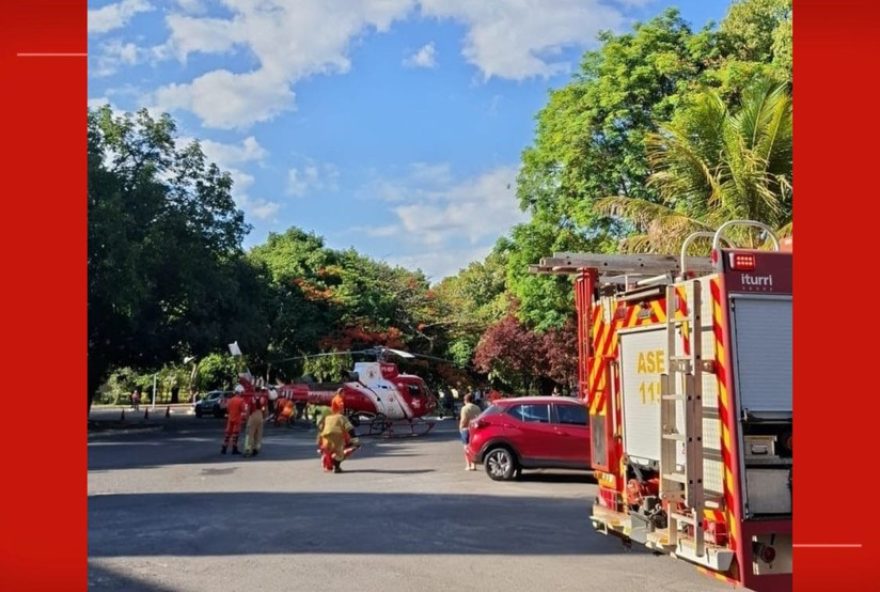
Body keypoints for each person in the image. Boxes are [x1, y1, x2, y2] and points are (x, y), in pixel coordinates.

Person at [316, 397, 357, 473]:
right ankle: (336, 466)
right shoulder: (342, 417)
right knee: (340, 453)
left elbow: (321, 429)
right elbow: (350, 429)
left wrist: (319, 441)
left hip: (325, 439)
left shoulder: (327, 417)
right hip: (337, 438)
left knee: (328, 452)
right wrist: (355, 440)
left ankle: (330, 464)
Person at [221, 385, 245, 455]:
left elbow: (228, 409)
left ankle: (224, 447)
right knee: (235, 434)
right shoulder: (241, 400)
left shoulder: (230, 400)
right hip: (237, 419)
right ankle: (234, 448)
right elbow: (243, 409)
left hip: (230, 418)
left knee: (228, 434)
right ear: (240, 392)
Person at [459, 393, 481, 471]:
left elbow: (463, 419)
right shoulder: (477, 408)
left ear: (465, 400)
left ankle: (468, 465)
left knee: (466, 447)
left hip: (466, 429)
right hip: (474, 429)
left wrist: (460, 427)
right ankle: (473, 465)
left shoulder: (464, 408)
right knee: (472, 447)